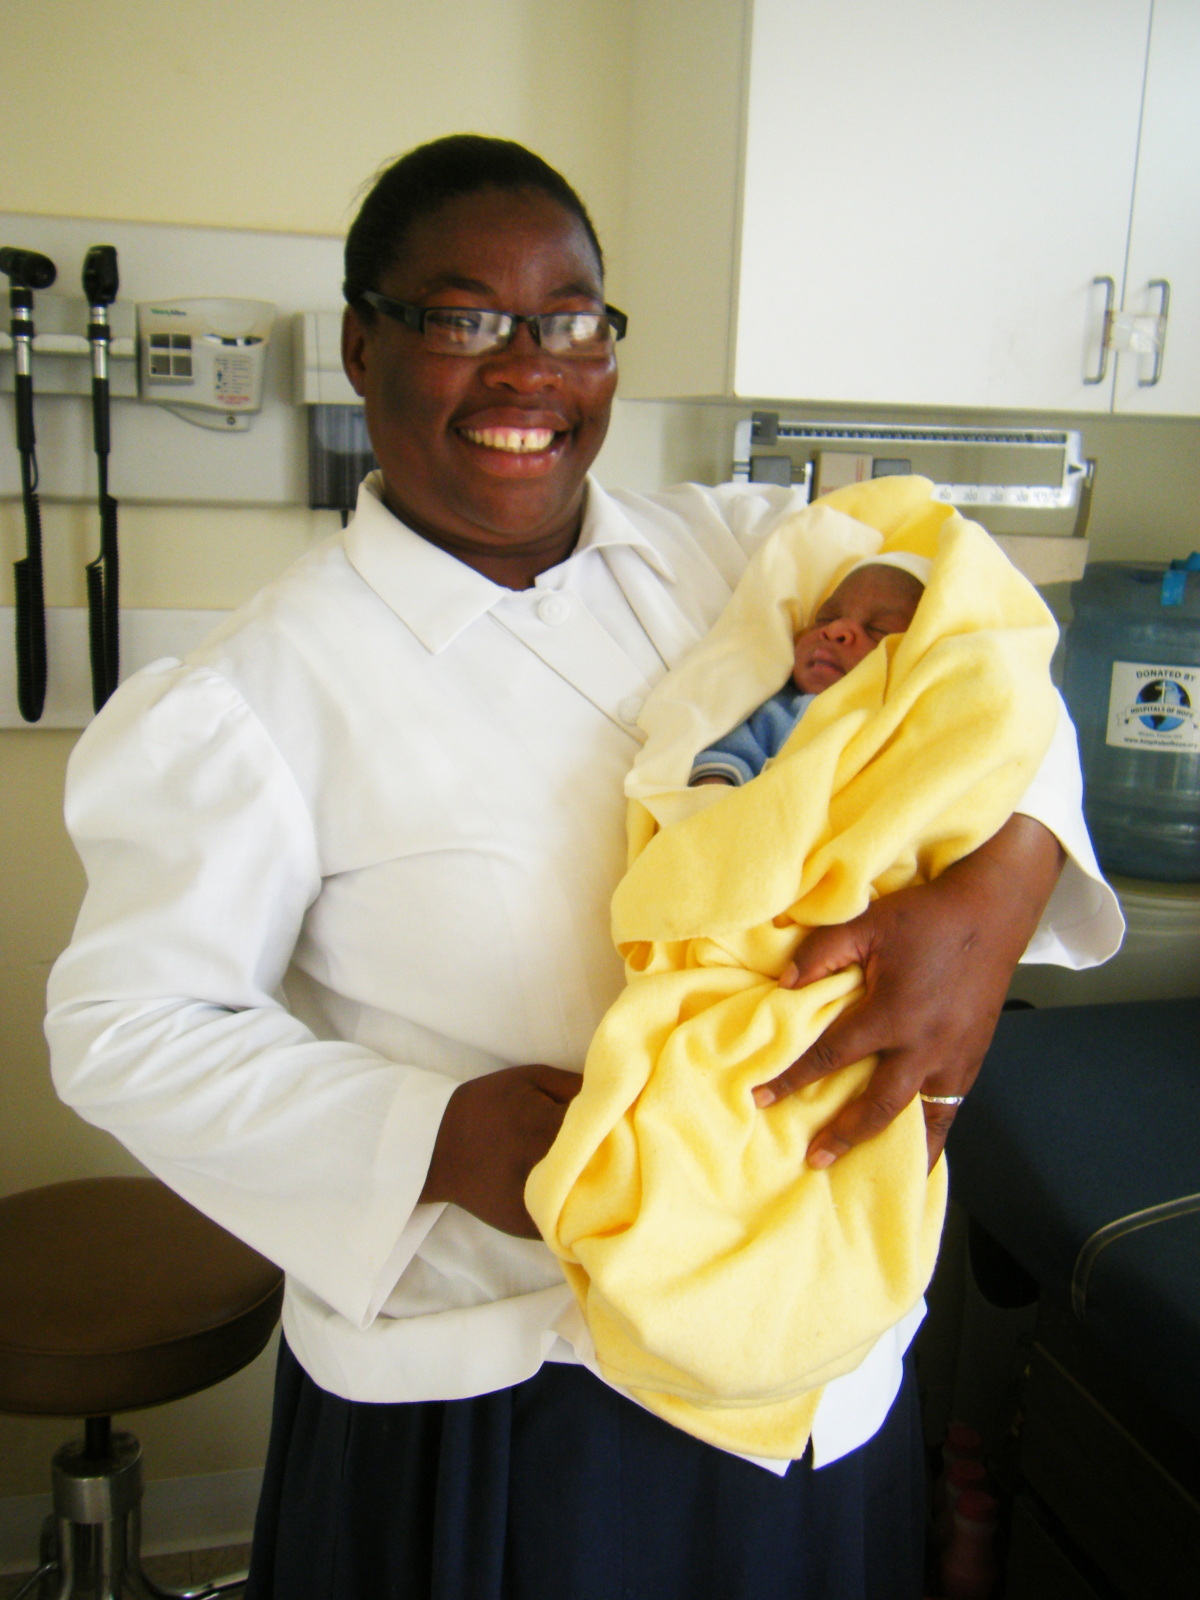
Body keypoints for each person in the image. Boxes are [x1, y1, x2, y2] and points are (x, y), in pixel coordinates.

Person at [45, 135, 1122, 1599]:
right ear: (361, 346)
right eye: (464, 316)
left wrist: (1001, 887)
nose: (528, 370)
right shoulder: (260, 694)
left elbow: (985, 661)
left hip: (814, 1349)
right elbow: (125, 1025)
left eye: (568, 321)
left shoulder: (748, 554)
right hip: (509, 1388)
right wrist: (438, 1138)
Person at [689, 555, 928, 787]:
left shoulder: (906, 727)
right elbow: (727, 758)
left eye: (878, 630)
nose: (835, 629)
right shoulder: (776, 709)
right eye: (826, 618)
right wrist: (714, 784)